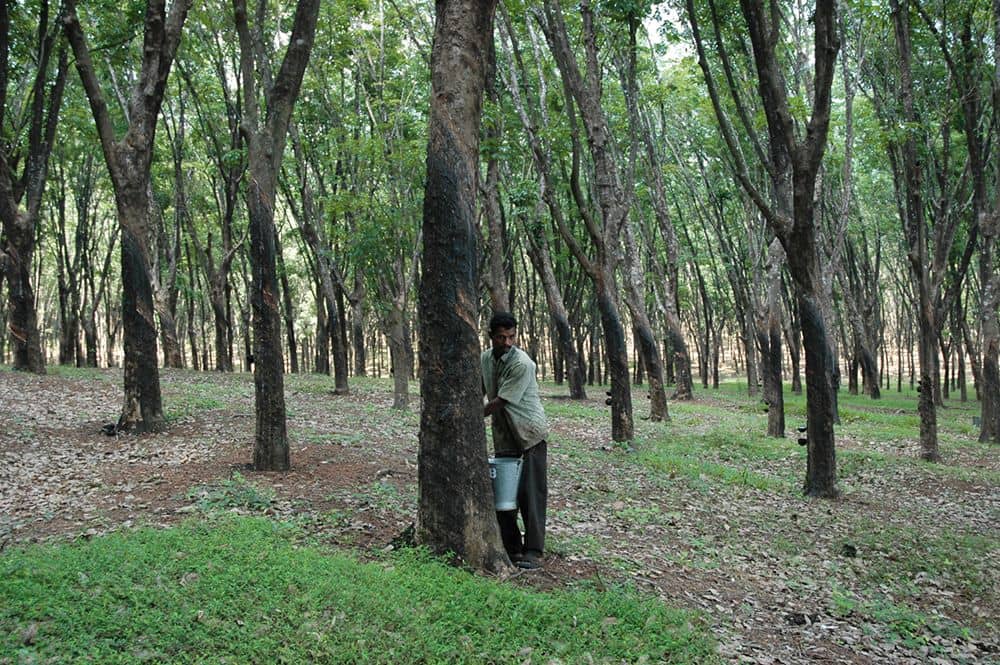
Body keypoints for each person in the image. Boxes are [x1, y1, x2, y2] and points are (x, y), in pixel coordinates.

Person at [482, 311, 548, 570]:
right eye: (501, 337)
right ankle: (512, 548)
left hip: (530, 434)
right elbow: (477, 389)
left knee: (530, 495)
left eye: (511, 337)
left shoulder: (522, 363)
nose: (507, 342)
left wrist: (472, 417)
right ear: (491, 337)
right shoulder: (485, 359)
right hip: (504, 436)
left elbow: (500, 401)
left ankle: (533, 551)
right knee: (503, 495)